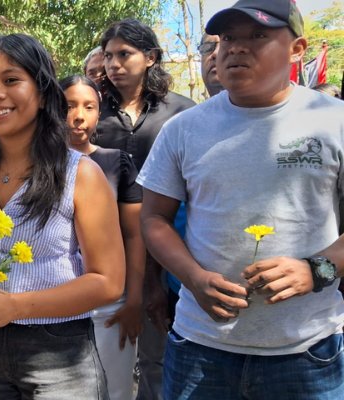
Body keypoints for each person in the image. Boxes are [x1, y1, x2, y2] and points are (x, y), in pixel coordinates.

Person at [138, 0, 344, 397]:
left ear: (297, 49)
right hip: (200, 349)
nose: (235, 48)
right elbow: (154, 220)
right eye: (228, 37)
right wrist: (194, 279)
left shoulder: (333, 121)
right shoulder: (183, 129)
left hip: (307, 352)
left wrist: (317, 270)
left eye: (258, 36)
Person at [0, 33, 124, 399]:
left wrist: (13, 306)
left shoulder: (80, 175)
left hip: (60, 354)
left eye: (11, 80)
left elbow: (108, 281)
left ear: (42, 92)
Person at [93, 19, 195, 400]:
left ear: (150, 57)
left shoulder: (182, 113)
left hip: (167, 251)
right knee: (104, 358)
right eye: (108, 56)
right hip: (102, 252)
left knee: (157, 356)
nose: (114, 64)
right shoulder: (92, 111)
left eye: (124, 54)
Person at [61, 74, 145, 400]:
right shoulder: (37, 166)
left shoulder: (115, 163)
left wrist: (134, 299)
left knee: (115, 391)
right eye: (68, 105)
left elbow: (134, 234)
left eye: (89, 106)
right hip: (54, 304)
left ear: (99, 113)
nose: (78, 115)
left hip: (111, 307)